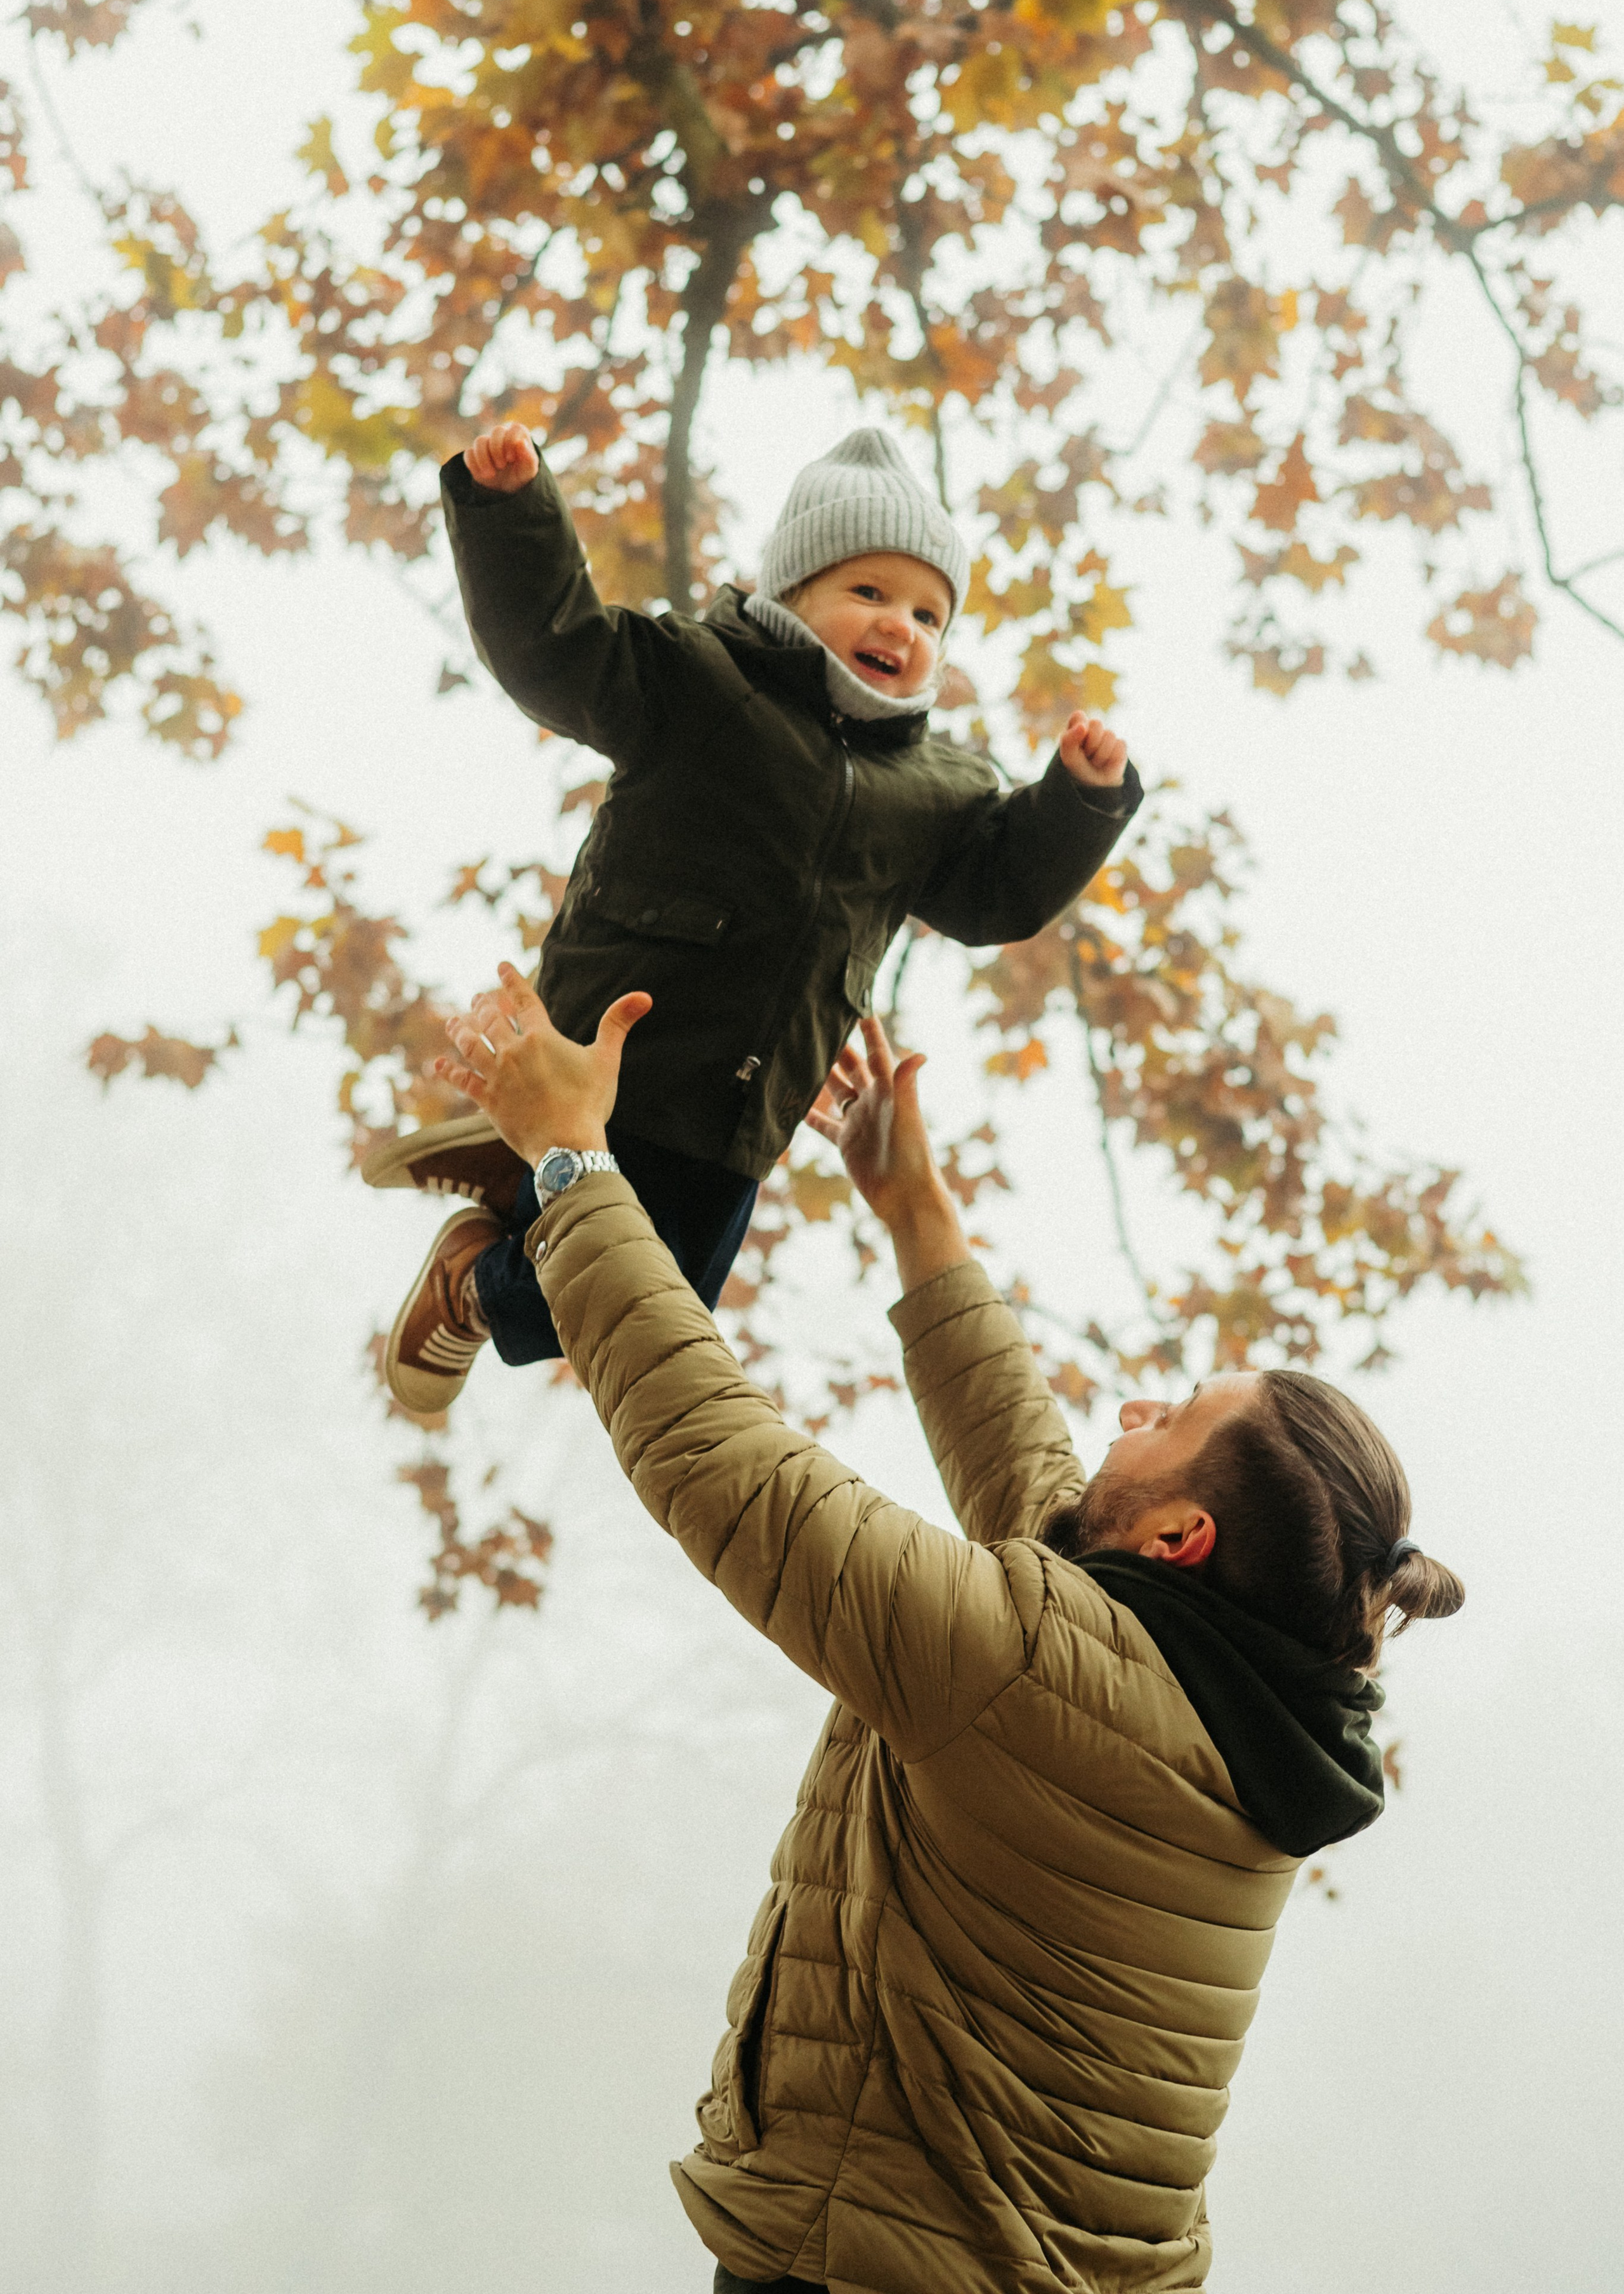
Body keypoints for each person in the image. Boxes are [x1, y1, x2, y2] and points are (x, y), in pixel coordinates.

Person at [428, 962, 1465, 2294]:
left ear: (1180, 1540)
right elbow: (1033, 1483)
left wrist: (571, 1164)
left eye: (1176, 1417)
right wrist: (909, 1204)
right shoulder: (1245, 1712)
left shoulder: (1029, 1670)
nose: (1137, 1409)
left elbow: (716, 1455)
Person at [367, 419, 1142, 1415]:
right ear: (791, 592)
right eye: (869, 592)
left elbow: (998, 896)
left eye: (929, 612)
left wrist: (1079, 798)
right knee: (591, 1284)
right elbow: (556, 652)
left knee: (642, 1315)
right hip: (608, 1049)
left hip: (739, 1115)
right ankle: (491, 1229)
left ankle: (485, 1261)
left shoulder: (942, 789)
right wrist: (512, 512)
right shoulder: (700, 681)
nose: (901, 625)